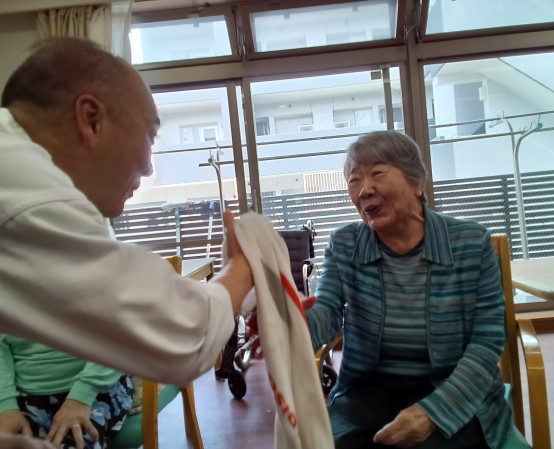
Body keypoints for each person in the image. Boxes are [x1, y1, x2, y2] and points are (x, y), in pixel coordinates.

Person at [0, 37, 253, 386]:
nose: (149, 168)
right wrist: (242, 269)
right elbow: (180, 335)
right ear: (91, 119)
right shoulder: (24, 184)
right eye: (150, 134)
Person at [305, 130, 512, 449]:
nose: (364, 189)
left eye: (377, 173)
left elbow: (487, 340)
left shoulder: (471, 242)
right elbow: (326, 312)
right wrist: (290, 321)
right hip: (367, 395)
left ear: (418, 183)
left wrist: (433, 413)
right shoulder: (345, 244)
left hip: (454, 389)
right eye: (354, 180)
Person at [0, 335, 133, 449]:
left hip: (98, 385)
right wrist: (6, 406)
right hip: (16, 392)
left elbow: (116, 335)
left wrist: (81, 397)